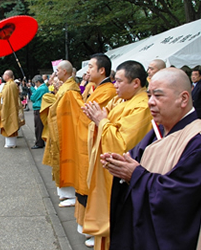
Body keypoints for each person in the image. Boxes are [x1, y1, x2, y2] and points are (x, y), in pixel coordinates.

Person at [102, 68, 201, 250]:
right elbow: (136, 160)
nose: (150, 103)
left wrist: (135, 175)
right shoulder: (157, 131)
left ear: (184, 99)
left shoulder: (196, 139)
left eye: (158, 96)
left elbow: (182, 195)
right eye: (149, 96)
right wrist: (121, 164)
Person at [82, 60, 152, 249]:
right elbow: (105, 114)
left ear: (136, 83)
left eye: (120, 81)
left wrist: (102, 121)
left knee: (116, 222)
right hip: (106, 171)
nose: (115, 85)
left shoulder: (142, 106)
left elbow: (121, 144)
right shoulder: (123, 99)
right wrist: (99, 118)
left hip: (119, 178)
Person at [73, 54, 117, 238]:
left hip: (97, 145)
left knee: (92, 185)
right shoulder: (96, 87)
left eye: (91, 67)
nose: (87, 70)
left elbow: (87, 114)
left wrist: (71, 96)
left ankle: (93, 228)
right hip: (88, 142)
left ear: (102, 70)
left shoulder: (108, 90)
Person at [41, 60, 83, 207]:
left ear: (64, 71)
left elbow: (76, 112)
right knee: (60, 160)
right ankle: (65, 193)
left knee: (67, 159)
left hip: (67, 130)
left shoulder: (71, 90)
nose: (55, 73)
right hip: (60, 128)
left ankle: (71, 195)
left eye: (57, 70)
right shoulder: (65, 87)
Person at [0, 70, 20, 148]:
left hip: (8, 107)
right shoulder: (12, 84)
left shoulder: (9, 85)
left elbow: (4, 97)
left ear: (7, 76)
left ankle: (10, 144)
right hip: (12, 106)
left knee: (8, 122)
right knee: (12, 122)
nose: (3, 76)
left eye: (4, 74)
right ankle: (12, 143)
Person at [29, 75, 49, 149]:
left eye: (35, 83)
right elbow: (36, 93)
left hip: (39, 109)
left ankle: (39, 143)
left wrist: (32, 90)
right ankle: (40, 142)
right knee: (40, 126)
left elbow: (33, 98)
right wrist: (31, 88)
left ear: (38, 82)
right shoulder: (43, 88)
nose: (35, 85)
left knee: (38, 127)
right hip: (41, 108)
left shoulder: (41, 88)